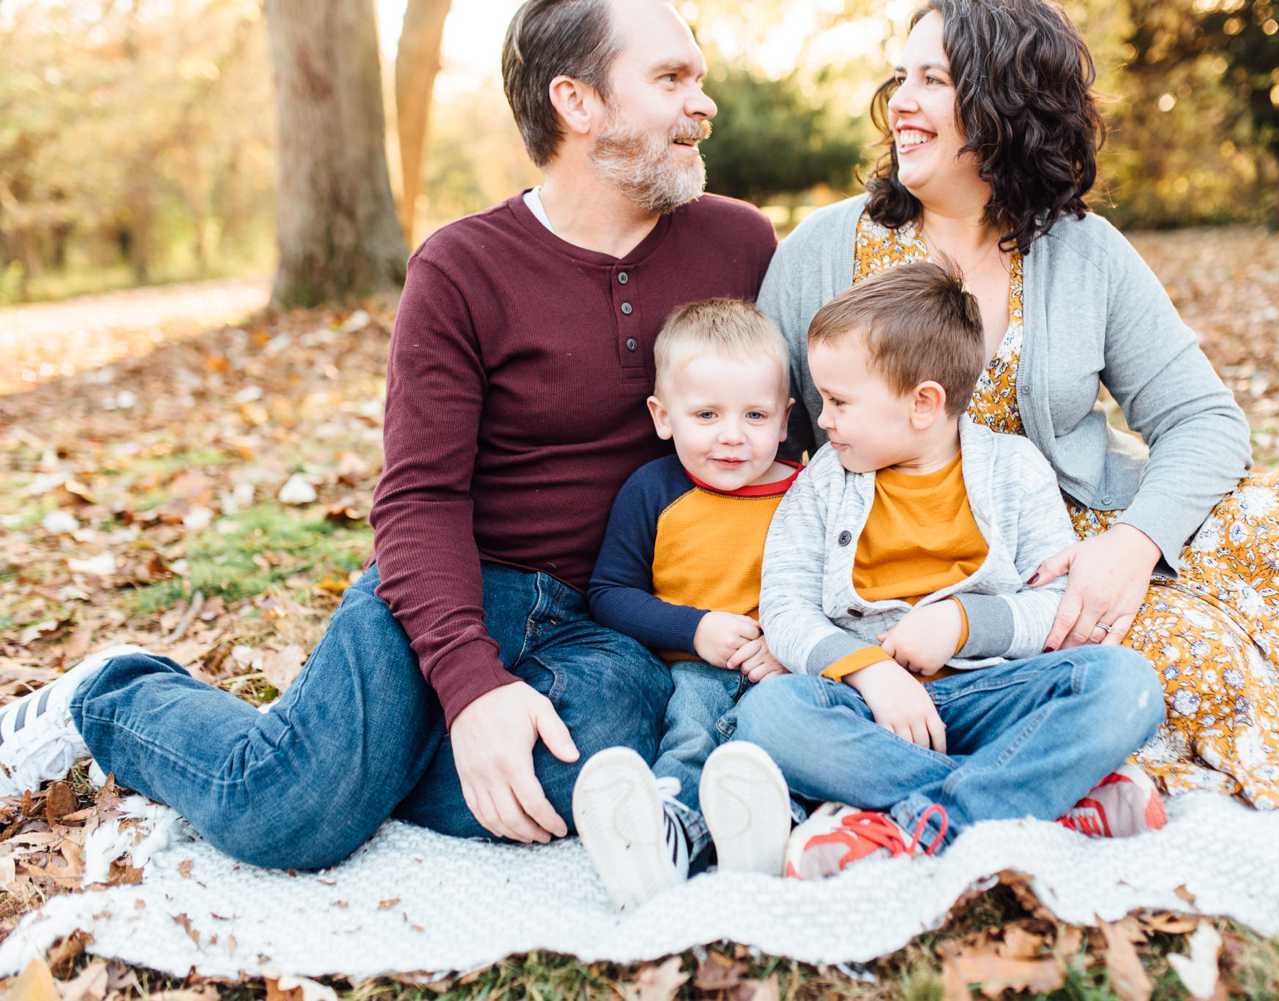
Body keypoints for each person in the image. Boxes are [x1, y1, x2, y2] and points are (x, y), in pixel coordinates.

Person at [0, 0, 778, 868]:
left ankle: (350, 758)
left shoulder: (738, 243)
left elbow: (796, 432)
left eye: (696, 80)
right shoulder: (461, 268)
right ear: (577, 101)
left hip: (609, 622)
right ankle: (114, 694)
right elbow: (420, 497)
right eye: (671, 79)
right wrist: (474, 685)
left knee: (594, 784)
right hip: (456, 589)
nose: (702, 104)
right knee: (285, 816)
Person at [755, 0, 1279, 809]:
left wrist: (1134, 545)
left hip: (1067, 543)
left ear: (1006, 100)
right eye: (902, 76)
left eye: (933, 79)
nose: (900, 99)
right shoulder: (821, 253)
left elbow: (1204, 419)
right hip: (915, 568)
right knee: (1194, 662)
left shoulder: (1081, 249)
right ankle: (1006, 775)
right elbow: (774, 444)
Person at [730, 261, 1167, 879]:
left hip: (989, 694)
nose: (822, 420)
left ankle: (919, 818)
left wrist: (964, 623)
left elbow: (1056, 602)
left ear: (924, 404)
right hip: (867, 707)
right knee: (770, 714)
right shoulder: (824, 481)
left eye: (839, 401)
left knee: (1125, 683)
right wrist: (871, 671)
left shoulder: (1014, 470)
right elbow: (785, 606)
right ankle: (1038, 795)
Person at [573, 299, 800, 908]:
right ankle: (671, 829)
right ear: (663, 416)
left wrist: (788, 646)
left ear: (785, 421)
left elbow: (837, 587)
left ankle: (783, 826)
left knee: (795, 736)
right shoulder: (654, 490)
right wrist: (695, 629)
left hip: (787, 667)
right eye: (706, 414)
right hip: (693, 666)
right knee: (693, 725)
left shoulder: (809, 493)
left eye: (755, 414)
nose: (732, 435)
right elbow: (609, 595)